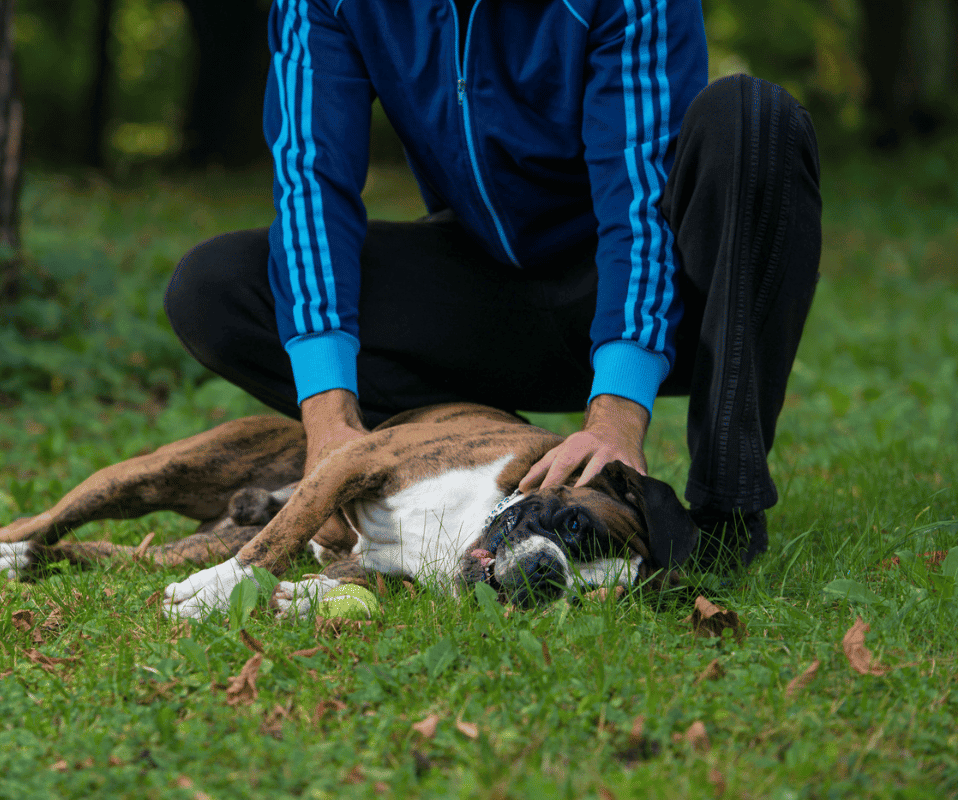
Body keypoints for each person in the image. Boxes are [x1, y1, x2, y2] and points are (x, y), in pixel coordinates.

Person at [165, 0, 821, 570]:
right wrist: (328, 425)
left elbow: (639, 206)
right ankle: (438, 479)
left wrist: (617, 418)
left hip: (652, 298)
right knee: (217, 289)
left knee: (753, 118)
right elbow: (312, 187)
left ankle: (723, 514)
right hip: (484, 289)